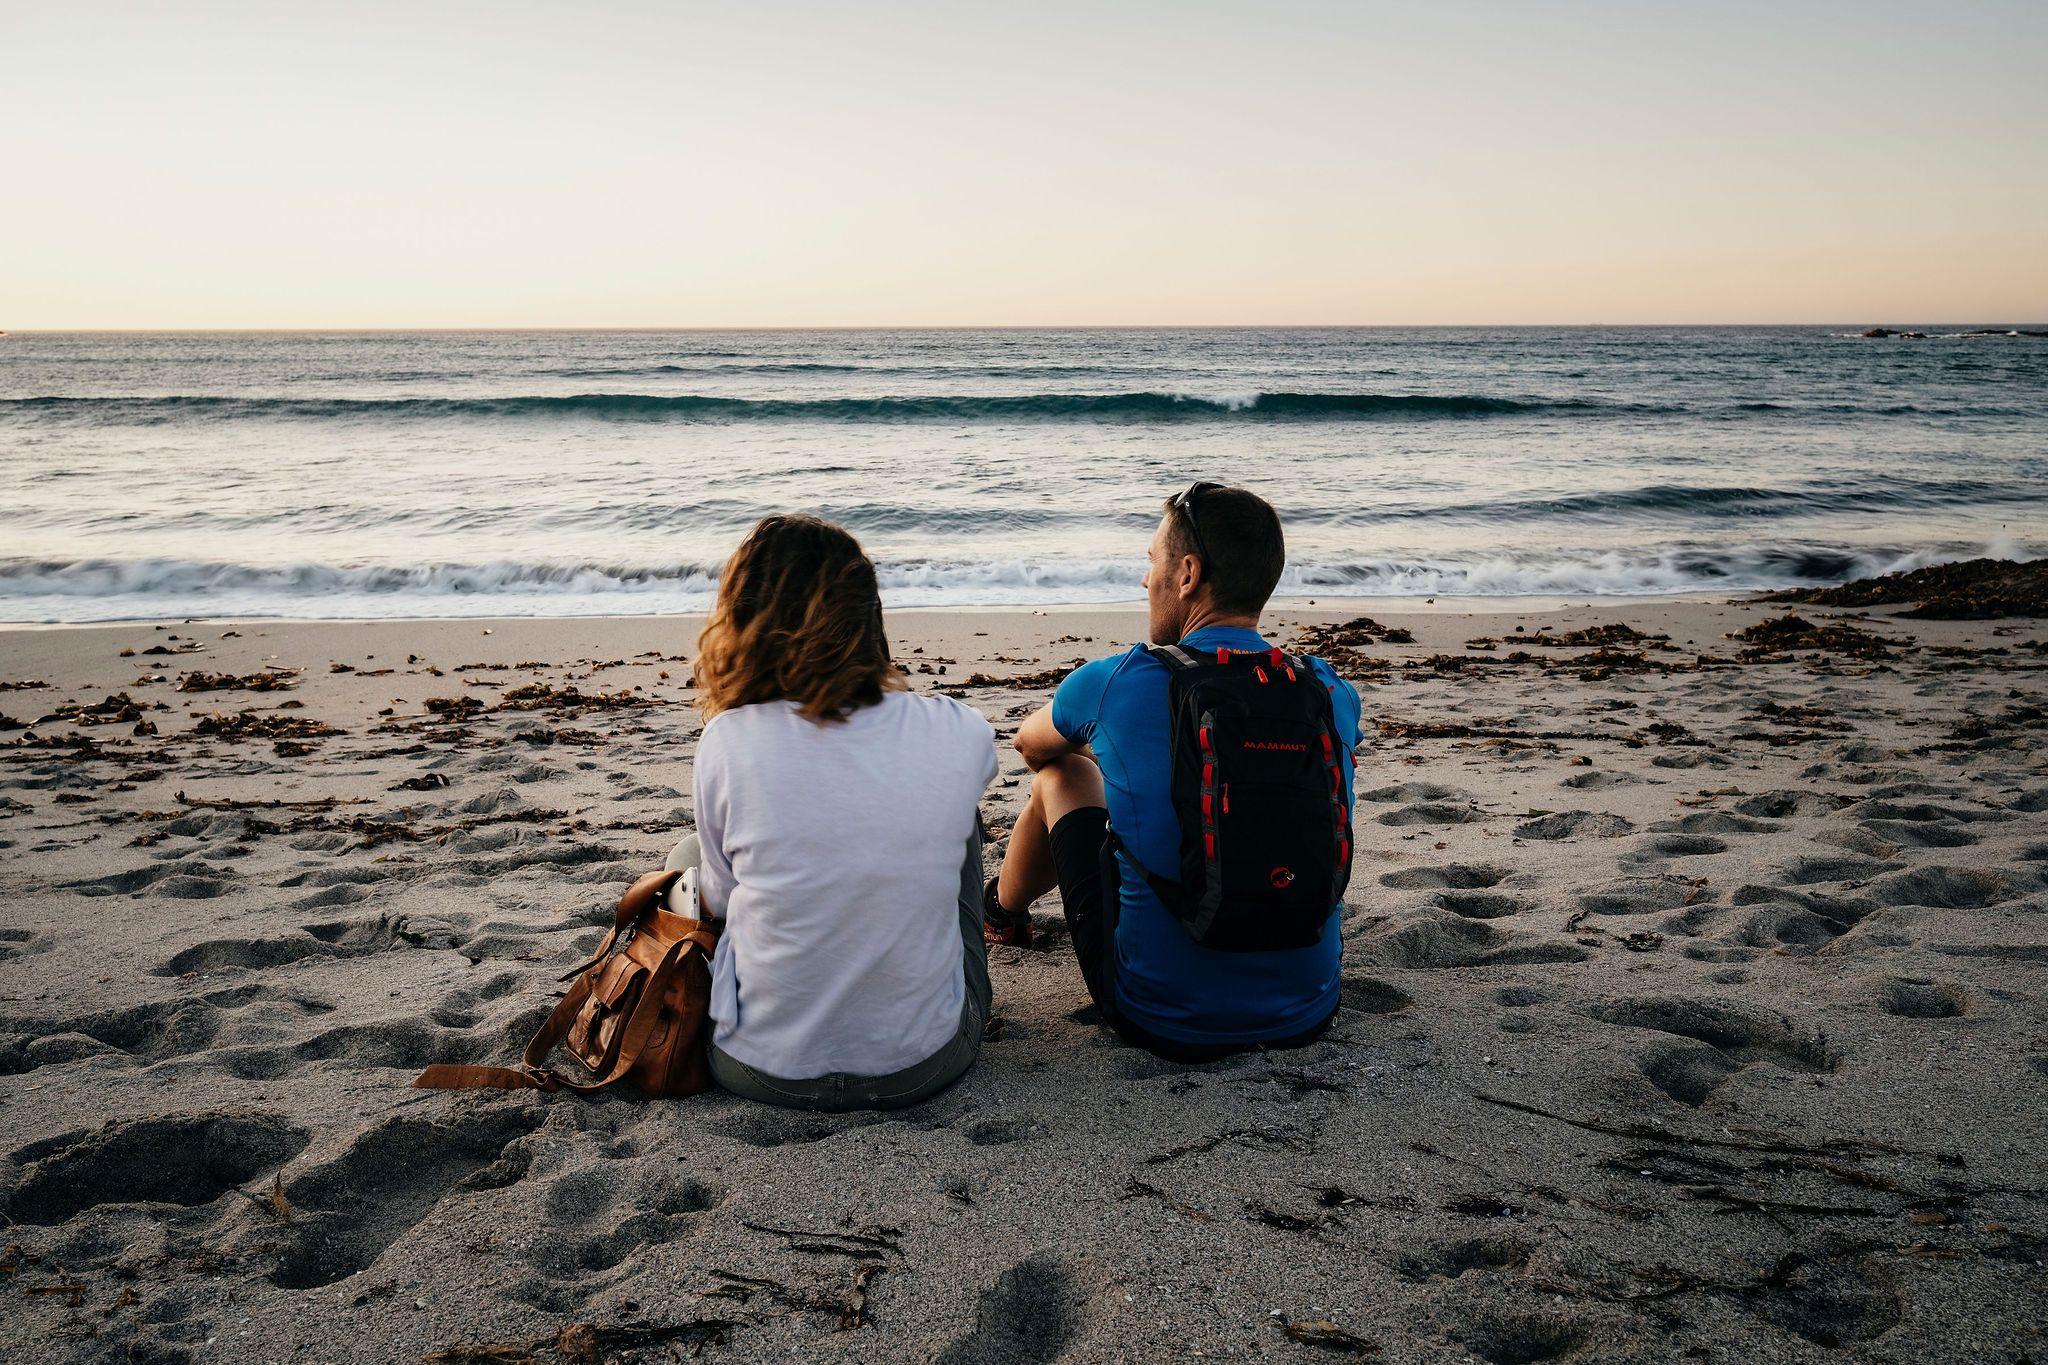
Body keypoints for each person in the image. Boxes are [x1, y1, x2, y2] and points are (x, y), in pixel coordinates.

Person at [984, 482, 1362, 1062]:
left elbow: (1030, 747)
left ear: (1187, 575)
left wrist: (1115, 761)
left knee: (1060, 777)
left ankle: (1001, 916)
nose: (1145, 580)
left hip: (1160, 1016)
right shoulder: (1329, 690)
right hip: (1308, 1008)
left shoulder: (1115, 681)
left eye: (1153, 561)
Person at [667, 514, 997, 1110]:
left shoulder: (726, 740)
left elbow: (718, 903)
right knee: (958, 819)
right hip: (924, 1061)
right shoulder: (957, 729)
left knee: (688, 859)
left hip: (760, 1067)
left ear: (742, 623)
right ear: (866, 617)